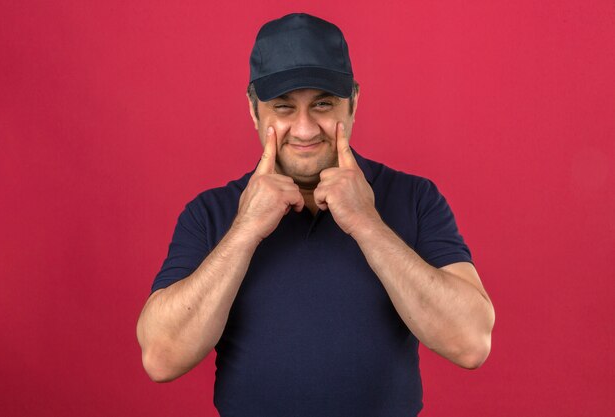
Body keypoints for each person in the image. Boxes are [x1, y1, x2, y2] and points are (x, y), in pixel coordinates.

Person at [136, 12, 494, 417]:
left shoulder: (414, 198)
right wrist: (245, 231)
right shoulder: (210, 213)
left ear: (354, 103)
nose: (305, 130)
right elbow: (161, 358)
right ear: (254, 111)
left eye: (323, 104)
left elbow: (471, 342)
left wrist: (366, 223)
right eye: (284, 108)